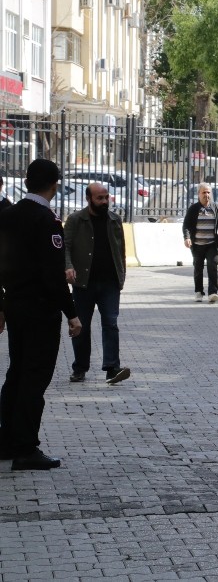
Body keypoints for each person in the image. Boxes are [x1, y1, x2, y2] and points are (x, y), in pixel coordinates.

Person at [0, 159, 83, 471]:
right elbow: (53, 275)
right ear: (55, 184)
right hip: (40, 309)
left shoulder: (8, 216)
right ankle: (25, 448)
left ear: (26, 182)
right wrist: (72, 314)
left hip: (16, 305)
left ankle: (7, 440)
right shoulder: (46, 221)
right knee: (34, 379)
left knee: (16, 374)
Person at [64, 183, 130, 385]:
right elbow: (65, 247)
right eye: (99, 198)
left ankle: (112, 368)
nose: (104, 202)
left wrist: (121, 275)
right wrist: (68, 267)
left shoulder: (115, 220)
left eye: (106, 197)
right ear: (88, 199)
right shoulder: (76, 220)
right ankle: (80, 368)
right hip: (84, 283)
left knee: (111, 323)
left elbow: (121, 250)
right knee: (81, 326)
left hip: (109, 283)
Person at [182, 183, 218, 303]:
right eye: (204, 192)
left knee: (212, 266)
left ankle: (212, 292)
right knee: (198, 268)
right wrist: (187, 238)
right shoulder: (193, 209)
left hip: (212, 244)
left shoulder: (216, 208)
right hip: (197, 245)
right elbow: (186, 225)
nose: (206, 195)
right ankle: (198, 292)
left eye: (208, 192)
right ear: (198, 194)